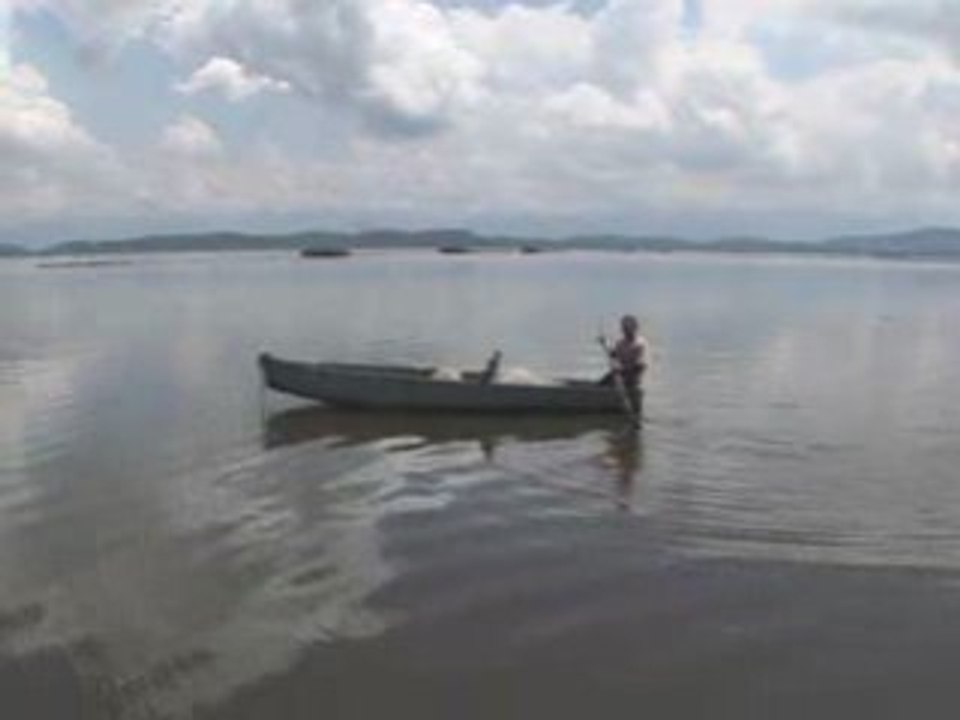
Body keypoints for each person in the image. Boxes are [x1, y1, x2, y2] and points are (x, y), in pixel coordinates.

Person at [598, 315, 648, 418]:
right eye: (624, 328)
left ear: (635, 328)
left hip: (632, 380)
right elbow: (613, 354)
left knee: (619, 379)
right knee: (599, 386)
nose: (625, 330)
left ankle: (628, 410)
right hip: (618, 376)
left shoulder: (640, 344)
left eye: (628, 328)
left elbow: (640, 366)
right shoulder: (620, 342)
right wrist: (604, 343)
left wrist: (623, 370)